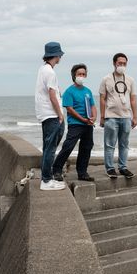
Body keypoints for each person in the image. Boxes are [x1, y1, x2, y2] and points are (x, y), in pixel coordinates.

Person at [51, 64, 96, 182]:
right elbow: (70, 109)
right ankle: (56, 169)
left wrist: (94, 117)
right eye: (79, 74)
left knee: (86, 148)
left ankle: (82, 172)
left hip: (88, 124)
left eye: (83, 74)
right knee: (68, 146)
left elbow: (92, 106)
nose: (81, 76)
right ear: (74, 76)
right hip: (76, 124)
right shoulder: (69, 91)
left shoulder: (88, 91)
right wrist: (82, 119)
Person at [98, 52, 137, 179]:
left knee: (124, 144)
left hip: (126, 117)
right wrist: (102, 116)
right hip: (111, 117)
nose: (122, 65)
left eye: (124, 63)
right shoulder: (106, 79)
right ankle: (110, 168)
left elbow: (133, 99)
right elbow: (102, 98)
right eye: (120, 63)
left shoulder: (130, 80)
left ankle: (123, 167)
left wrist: (135, 116)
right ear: (114, 63)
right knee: (110, 144)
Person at [35, 41, 66, 191]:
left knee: (48, 147)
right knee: (50, 148)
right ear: (57, 55)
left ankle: (47, 179)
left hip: (46, 114)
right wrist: (60, 115)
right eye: (60, 54)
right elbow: (53, 96)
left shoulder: (43, 69)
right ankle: (46, 181)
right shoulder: (50, 72)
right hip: (51, 115)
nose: (61, 57)